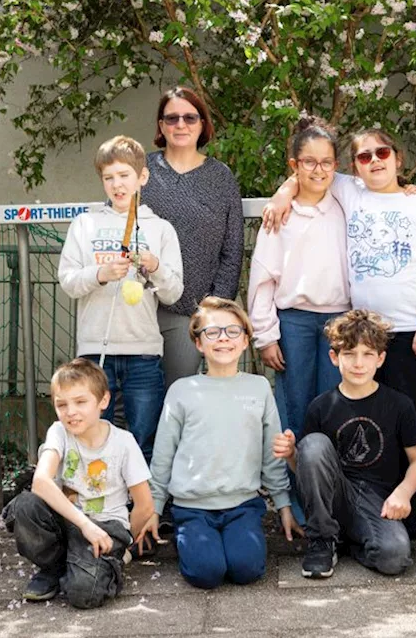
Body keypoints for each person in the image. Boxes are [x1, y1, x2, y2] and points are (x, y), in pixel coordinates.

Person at [264, 128, 416, 538]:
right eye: (364, 157)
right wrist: (282, 194)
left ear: (398, 157)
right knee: (366, 422)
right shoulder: (351, 191)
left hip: (411, 333)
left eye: (382, 152)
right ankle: (356, 509)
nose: (374, 161)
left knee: (412, 423)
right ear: (355, 167)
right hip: (364, 337)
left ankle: (414, 518)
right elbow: (309, 170)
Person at [139, 296, 300, 589]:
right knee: (206, 574)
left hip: (242, 504)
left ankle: (230, 540)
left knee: (247, 570)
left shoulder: (259, 387)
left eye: (233, 331)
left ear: (245, 340)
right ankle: (191, 540)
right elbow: (163, 454)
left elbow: (271, 452)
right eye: (212, 332)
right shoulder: (182, 390)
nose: (223, 339)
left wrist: (284, 505)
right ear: (199, 343)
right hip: (192, 507)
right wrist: (155, 509)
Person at [274, 309, 416, 579]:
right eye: (349, 354)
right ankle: (322, 540)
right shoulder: (321, 406)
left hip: (375, 500)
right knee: (312, 444)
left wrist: (403, 493)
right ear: (335, 358)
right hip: (335, 493)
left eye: (367, 354)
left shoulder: (398, 404)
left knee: (395, 557)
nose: (359, 363)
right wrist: (291, 455)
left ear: (380, 359)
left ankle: (348, 542)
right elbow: (309, 467)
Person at [57, 135, 183, 462]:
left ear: (142, 178)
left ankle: (146, 510)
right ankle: (94, 506)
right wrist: (101, 274)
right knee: (91, 434)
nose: (117, 185)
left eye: (124, 175)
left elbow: (174, 292)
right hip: (95, 350)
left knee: (145, 438)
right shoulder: (84, 225)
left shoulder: (161, 229)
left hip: (143, 351)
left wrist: (155, 267)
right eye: (108, 177)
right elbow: (68, 282)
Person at [247, 113, 349, 487]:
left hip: (340, 320)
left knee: (336, 406)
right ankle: (297, 498)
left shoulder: (343, 204)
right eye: (309, 162)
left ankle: (333, 492)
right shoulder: (280, 216)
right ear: (294, 165)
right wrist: (266, 335)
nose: (318, 170)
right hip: (294, 323)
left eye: (326, 162)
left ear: (336, 166)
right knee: (295, 408)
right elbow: (262, 280)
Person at [2, 359, 154, 609]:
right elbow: (41, 482)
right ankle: (53, 567)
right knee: (25, 506)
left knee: (85, 593)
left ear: (103, 401)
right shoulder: (59, 432)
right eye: (62, 404)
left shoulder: (124, 442)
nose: (70, 411)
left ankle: (103, 563)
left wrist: (122, 542)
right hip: (71, 520)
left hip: (105, 526)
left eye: (81, 402)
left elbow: (145, 506)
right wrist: (84, 525)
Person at [140, 87, 244, 388]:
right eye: (172, 118)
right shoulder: (142, 171)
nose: (181, 125)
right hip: (138, 310)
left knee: (179, 397)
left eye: (189, 117)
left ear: (202, 124)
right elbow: (116, 222)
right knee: (134, 403)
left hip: (190, 313)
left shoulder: (220, 177)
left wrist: (214, 305)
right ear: (161, 126)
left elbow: (233, 246)